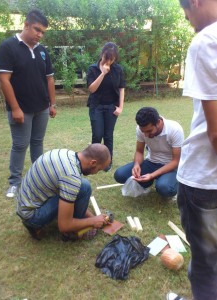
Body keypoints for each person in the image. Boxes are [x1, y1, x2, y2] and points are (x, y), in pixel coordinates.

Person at [168, 1, 217, 299]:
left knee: (206, 266)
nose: (191, 24)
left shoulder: (206, 41)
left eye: (187, 17)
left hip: (204, 180)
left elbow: (215, 132)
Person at [0, 9, 56, 198]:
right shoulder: (8, 47)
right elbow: (4, 80)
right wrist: (15, 108)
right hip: (21, 110)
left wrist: (52, 104)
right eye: (37, 30)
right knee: (20, 145)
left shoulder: (42, 51)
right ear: (26, 25)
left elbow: (49, 79)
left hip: (42, 108)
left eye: (43, 32)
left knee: (37, 143)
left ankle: (38, 177)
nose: (40, 35)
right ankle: (15, 182)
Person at [16, 143, 111, 240]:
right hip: (32, 215)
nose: (96, 173)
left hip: (24, 204)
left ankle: (76, 222)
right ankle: (71, 232)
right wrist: (92, 222)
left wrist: (94, 217)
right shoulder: (71, 177)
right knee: (84, 187)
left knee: (84, 186)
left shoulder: (67, 154)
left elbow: (71, 194)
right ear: (93, 163)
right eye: (99, 169)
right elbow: (64, 225)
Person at [114, 107, 184, 198]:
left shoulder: (174, 129)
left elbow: (175, 161)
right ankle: (148, 181)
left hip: (171, 167)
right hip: (151, 162)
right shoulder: (141, 129)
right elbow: (139, 151)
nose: (146, 135)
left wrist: (152, 175)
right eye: (143, 132)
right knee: (120, 175)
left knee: (165, 188)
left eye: (149, 131)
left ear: (158, 122)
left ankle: (172, 181)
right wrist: (136, 165)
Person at [87, 42, 125, 172]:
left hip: (111, 107)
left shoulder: (118, 69)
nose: (108, 61)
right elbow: (92, 89)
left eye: (112, 59)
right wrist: (102, 73)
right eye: (106, 58)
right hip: (96, 106)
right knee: (97, 135)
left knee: (108, 136)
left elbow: (121, 89)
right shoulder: (93, 69)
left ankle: (108, 161)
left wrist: (120, 107)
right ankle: (93, 160)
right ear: (102, 54)